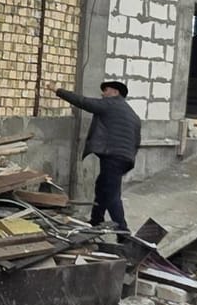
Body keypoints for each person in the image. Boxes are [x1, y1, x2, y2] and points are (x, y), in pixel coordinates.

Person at [55, 81, 142, 234]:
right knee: (102, 186)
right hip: (124, 158)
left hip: (112, 155)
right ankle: (96, 220)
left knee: (112, 194)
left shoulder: (110, 104)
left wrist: (58, 91)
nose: (103, 93)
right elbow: (137, 141)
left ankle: (123, 231)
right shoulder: (133, 114)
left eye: (106, 90)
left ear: (115, 92)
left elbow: (83, 102)